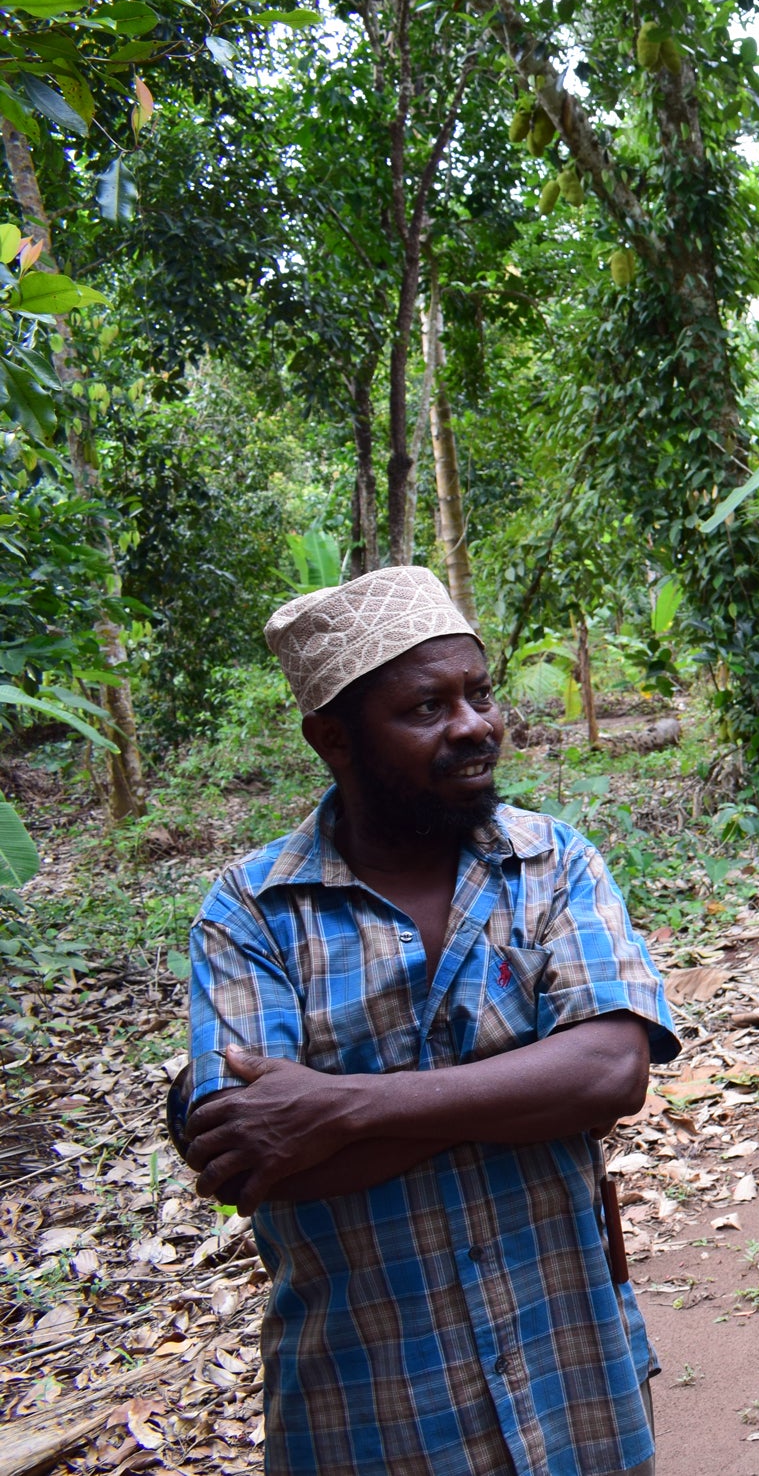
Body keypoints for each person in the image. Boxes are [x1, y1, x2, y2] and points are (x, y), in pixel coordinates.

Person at [174, 566, 677, 1476]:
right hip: (374, 1407)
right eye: (426, 708)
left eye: (479, 693)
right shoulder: (253, 913)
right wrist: (522, 1089)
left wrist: (341, 1109)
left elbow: (609, 1072)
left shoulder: (551, 862)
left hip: (571, 1373)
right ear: (332, 738)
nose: (475, 725)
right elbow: (258, 1160)